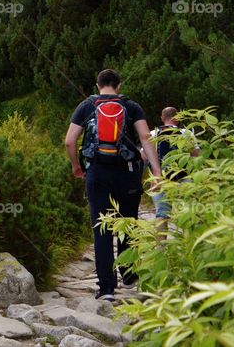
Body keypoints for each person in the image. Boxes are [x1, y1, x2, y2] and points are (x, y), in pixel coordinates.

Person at [64, 69, 162, 302]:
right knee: (128, 222)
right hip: (127, 172)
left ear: (98, 85)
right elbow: (145, 137)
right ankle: (128, 274)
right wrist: (157, 172)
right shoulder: (132, 106)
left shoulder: (86, 106)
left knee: (102, 228)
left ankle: (107, 288)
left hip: (97, 172)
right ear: (118, 85)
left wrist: (76, 166)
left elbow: (69, 141)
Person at [148, 107, 200, 223]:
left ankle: (162, 235)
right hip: (184, 177)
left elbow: (144, 156)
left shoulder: (153, 134)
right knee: (189, 211)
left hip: (160, 179)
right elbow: (196, 156)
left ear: (162, 118)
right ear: (177, 118)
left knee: (162, 214)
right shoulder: (186, 133)